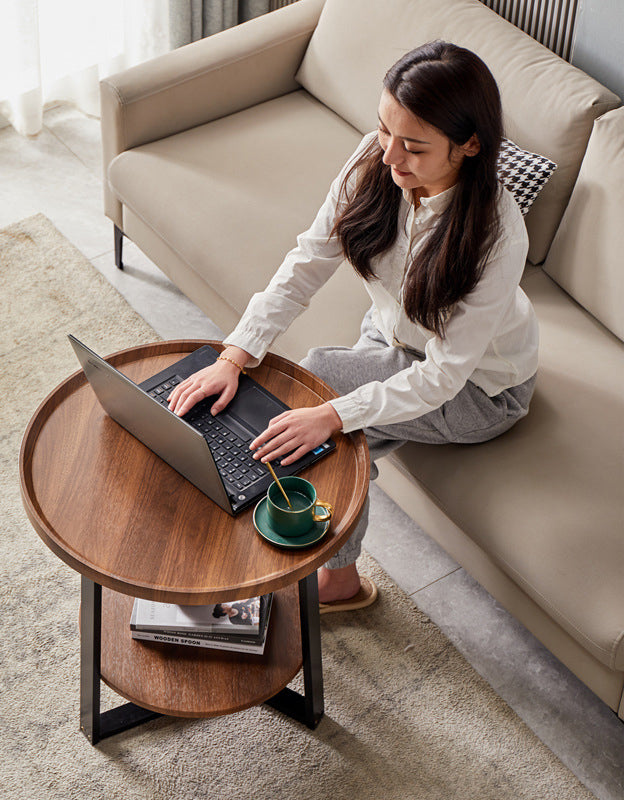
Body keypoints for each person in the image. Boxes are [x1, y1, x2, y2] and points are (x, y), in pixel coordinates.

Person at [168, 41, 538, 613]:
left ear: (469, 146)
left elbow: (442, 376)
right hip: (390, 338)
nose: (390, 156)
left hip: (481, 388)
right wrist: (233, 356)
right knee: (318, 426)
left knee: (320, 394)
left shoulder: (498, 235)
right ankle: (330, 572)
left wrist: (333, 414)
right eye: (385, 129)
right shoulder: (375, 158)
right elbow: (306, 263)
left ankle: (325, 571)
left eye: (414, 146)